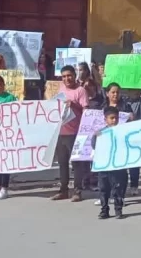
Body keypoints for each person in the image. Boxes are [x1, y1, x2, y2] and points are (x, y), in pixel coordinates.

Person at [51, 65, 89, 202]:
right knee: (62, 163)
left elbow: (86, 110)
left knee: (76, 164)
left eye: (69, 75)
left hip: (75, 132)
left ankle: (77, 191)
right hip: (60, 131)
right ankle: (63, 190)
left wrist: (73, 105)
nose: (67, 78)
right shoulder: (60, 90)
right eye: (64, 76)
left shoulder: (81, 91)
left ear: (74, 75)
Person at [92, 106, 128, 219]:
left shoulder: (122, 132)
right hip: (104, 166)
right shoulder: (100, 133)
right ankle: (104, 210)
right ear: (105, 119)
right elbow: (94, 145)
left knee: (118, 188)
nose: (114, 120)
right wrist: (96, 137)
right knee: (104, 189)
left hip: (118, 166)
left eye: (116, 118)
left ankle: (118, 209)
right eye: (111, 118)